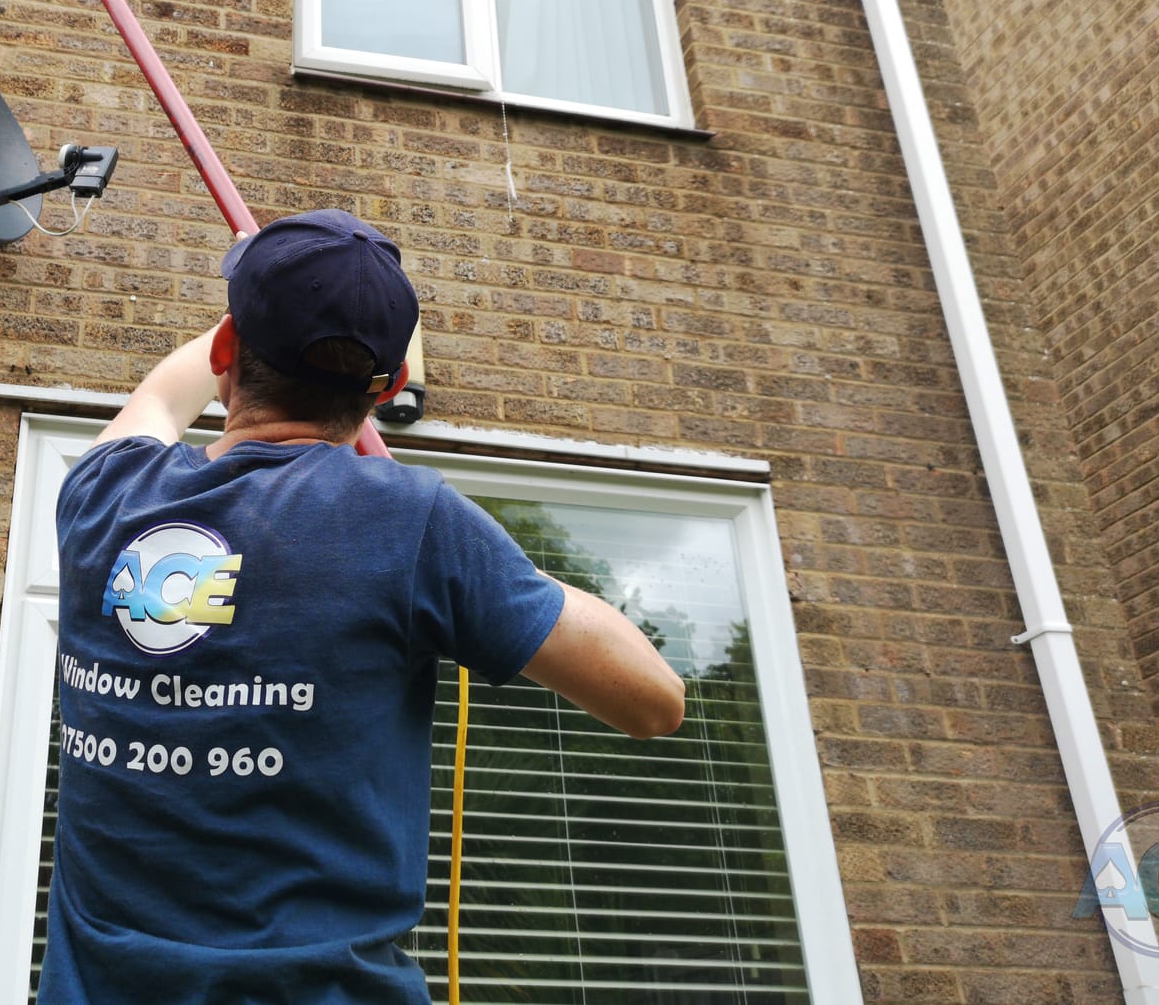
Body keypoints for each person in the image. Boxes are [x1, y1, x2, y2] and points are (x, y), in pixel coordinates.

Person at [37, 209, 685, 1005]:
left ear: (226, 352)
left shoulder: (103, 495)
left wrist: (259, 303)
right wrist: (488, 576)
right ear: (390, 389)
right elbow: (655, 700)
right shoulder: (411, 523)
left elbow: (160, 400)